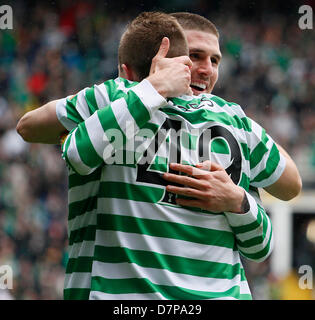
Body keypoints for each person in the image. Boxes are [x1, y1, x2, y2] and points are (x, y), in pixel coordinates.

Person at [15, 12, 300, 299]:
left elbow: (284, 199)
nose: (206, 69)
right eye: (194, 56)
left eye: (215, 60)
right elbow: (31, 129)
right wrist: (153, 88)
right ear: (161, 55)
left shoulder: (235, 121)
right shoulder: (116, 97)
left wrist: (235, 199)